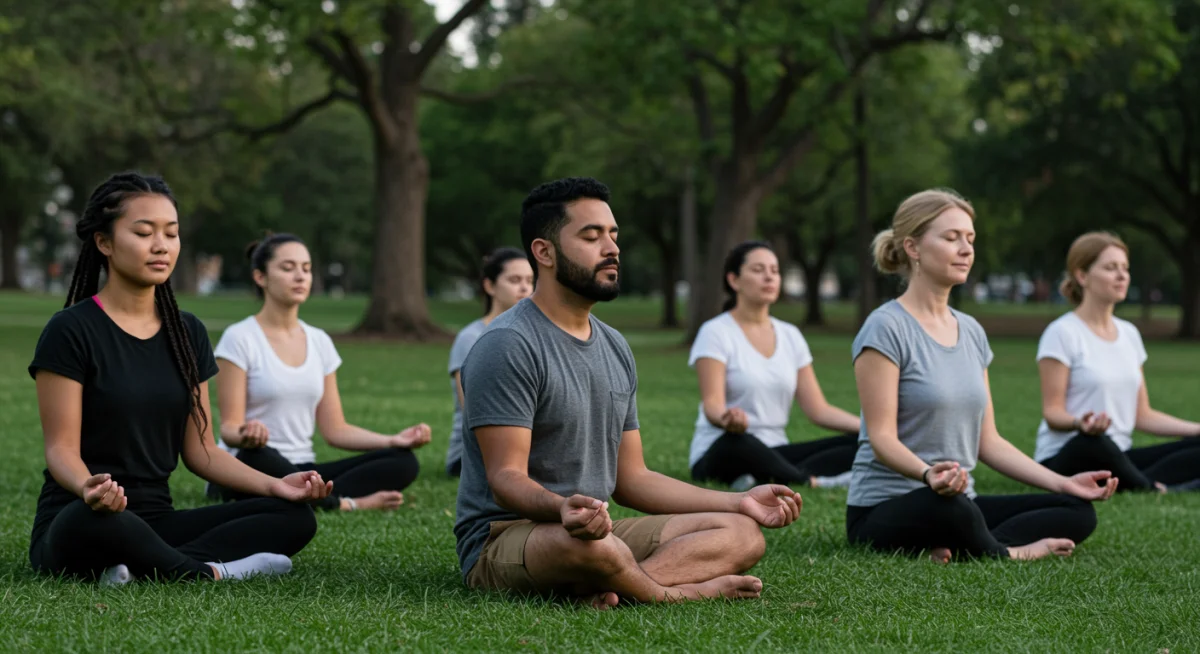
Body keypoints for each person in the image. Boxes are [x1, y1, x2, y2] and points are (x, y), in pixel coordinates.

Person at [454, 177, 802, 607]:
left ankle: (609, 589)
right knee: (591, 550)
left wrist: (739, 501)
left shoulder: (614, 346)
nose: (612, 248)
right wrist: (562, 508)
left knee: (742, 534)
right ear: (543, 252)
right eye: (591, 235)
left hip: (596, 530)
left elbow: (632, 479)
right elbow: (506, 479)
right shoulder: (507, 344)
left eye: (613, 235)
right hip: (508, 536)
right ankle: (673, 594)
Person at [28, 172, 332, 584]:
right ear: (104, 243)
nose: (161, 245)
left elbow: (202, 451)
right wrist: (88, 488)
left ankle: (139, 567)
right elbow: (60, 448)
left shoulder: (186, 333)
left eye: (171, 234)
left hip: (156, 519)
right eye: (143, 232)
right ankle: (208, 572)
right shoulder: (70, 331)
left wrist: (277, 485)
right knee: (101, 523)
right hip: (83, 516)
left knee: (294, 516)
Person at [847, 189, 1119, 563]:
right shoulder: (885, 328)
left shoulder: (971, 331)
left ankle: (957, 548)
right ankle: (1006, 552)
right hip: (887, 506)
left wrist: (1064, 482)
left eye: (970, 239)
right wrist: (929, 476)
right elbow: (880, 437)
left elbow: (987, 442)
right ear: (912, 247)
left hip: (960, 500)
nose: (966, 249)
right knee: (953, 509)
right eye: (951, 237)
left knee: (1076, 511)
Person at [206, 233, 430, 512]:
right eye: (288, 268)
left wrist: (392, 440)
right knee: (255, 454)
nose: (300, 276)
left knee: (402, 461)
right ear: (260, 277)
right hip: (253, 465)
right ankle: (344, 503)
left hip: (304, 467)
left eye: (306, 268)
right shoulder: (239, 338)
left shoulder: (319, 341)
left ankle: (310, 492)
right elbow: (229, 430)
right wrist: (247, 434)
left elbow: (335, 430)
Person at [1034, 232, 1200, 492]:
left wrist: (1197, 429)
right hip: (1069, 455)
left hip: (1119, 455)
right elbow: (1052, 412)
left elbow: (1142, 415)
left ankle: (1142, 480)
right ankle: (1153, 487)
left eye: (1125, 268)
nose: (1122, 276)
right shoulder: (1062, 333)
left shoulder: (1129, 334)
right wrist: (1081, 423)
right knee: (1094, 442)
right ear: (1082, 275)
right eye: (1111, 268)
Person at [689, 241, 861, 491]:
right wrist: (727, 420)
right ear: (734, 280)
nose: (769, 276)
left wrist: (871, 430)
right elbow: (712, 405)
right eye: (758, 270)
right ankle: (810, 481)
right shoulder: (715, 332)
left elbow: (818, 410)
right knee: (738, 443)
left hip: (775, 451)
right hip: (724, 448)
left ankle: (760, 478)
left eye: (774, 270)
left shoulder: (790, 335)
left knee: (861, 443)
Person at [446, 247, 534, 476]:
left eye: (530, 280)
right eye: (515, 280)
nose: (524, 287)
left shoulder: (535, 338)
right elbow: (472, 409)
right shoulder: (471, 338)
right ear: (489, 286)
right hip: (473, 457)